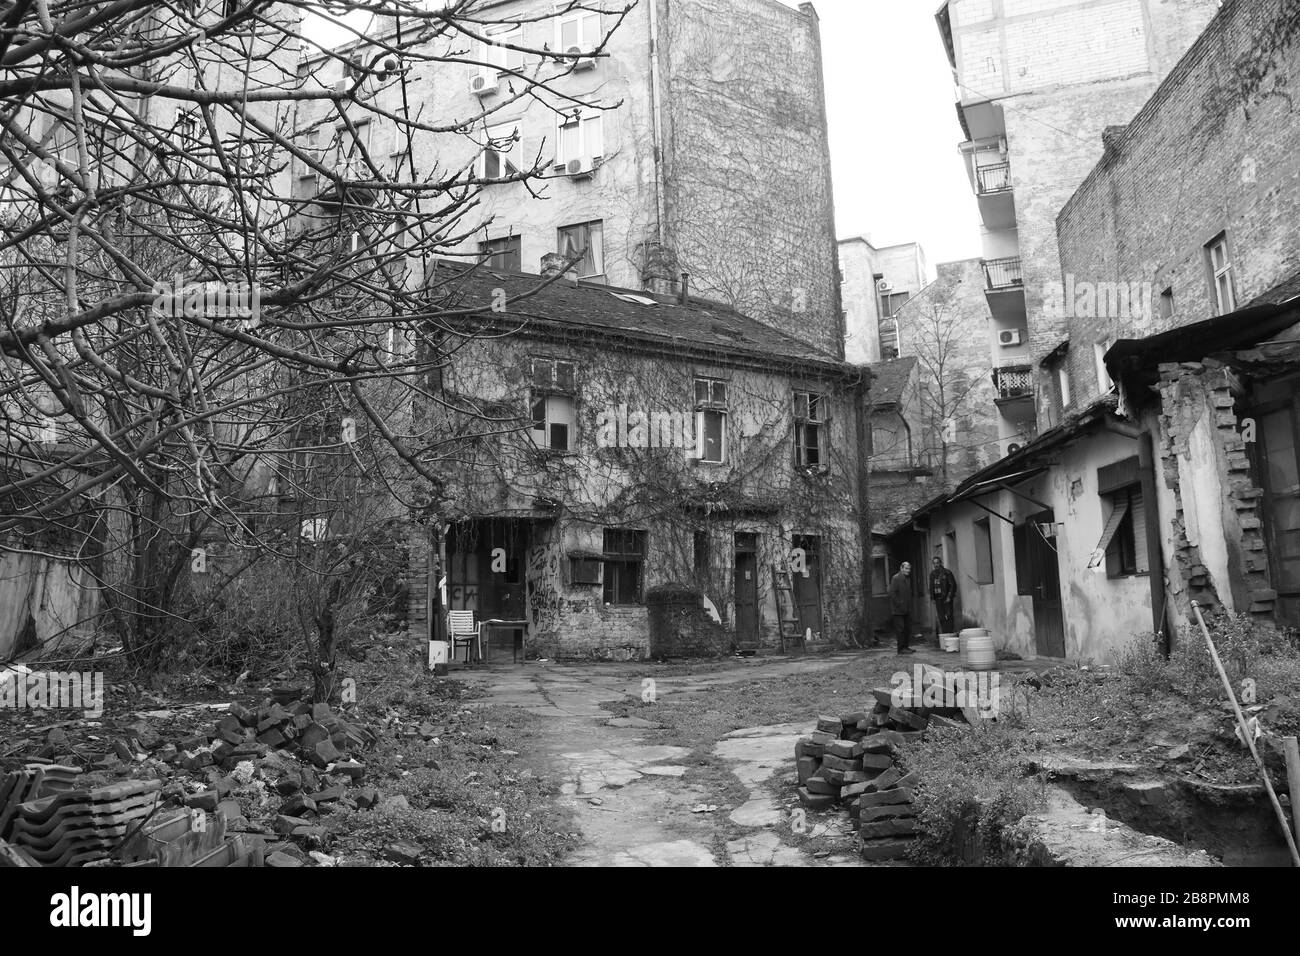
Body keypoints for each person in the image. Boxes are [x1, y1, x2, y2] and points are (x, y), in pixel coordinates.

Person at [889, 561, 915, 655]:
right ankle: (901, 649)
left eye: (909, 569)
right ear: (901, 568)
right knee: (900, 629)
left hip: (906, 609)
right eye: (906, 568)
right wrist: (900, 604)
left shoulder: (907, 579)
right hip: (898, 610)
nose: (908, 570)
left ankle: (906, 647)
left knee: (907, 628)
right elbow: (892, 593)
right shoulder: (896, 578)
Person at [929, 557, 957, 636]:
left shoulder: (947, 572)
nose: (936, 565)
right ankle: (945, 635)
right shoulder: (932, 574)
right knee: (941, 617)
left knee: (948, 616)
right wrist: (932, 597)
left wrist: (949, 597)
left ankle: (950, 634)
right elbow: (931, 587)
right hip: (938, 599)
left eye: (937, 563)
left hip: (946, 598)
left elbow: (953, 585)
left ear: (940, 563)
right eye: (934, 563)